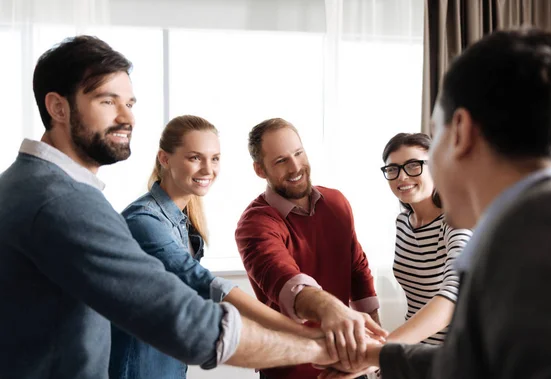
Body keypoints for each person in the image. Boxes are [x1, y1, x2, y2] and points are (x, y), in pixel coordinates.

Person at [0, 35, 339, 379]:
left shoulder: (25, 184)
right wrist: (316, 347)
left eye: (130, 104)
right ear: (58, 107)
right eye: (107, 101)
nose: (126, 118)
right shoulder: (64, 201)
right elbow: (189, 320)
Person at [319, 27, 551, 379]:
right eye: (392, 169)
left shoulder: (521, 248)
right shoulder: (540, 231)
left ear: (461, 132)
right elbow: (473, 365)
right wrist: (380, 356)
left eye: (435, 135)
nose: (404, 176)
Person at [110, 115, 324, 379]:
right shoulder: (143, 221)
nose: (207, 169)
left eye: (215, 158)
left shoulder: (184, 220)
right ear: (165, 159)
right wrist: (303, 334)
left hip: (170, 362)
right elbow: (203, 282)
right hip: (138, 366)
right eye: (194, 158)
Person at [235, 118, 387, 379]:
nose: (295, 167)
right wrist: (333, 310)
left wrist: (374, 339)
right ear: (260, 170)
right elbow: (287, 281)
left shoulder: (337, 202)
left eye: (298, 153)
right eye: (281, 160)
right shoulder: (255, 223)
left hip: (349, 357)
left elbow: (357, 268)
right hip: (291, 366)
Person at [380, 133, 471, 345]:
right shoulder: (403, 222)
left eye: (413, 165)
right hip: (415, 350)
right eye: (393, 169)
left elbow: (454, 295)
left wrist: (387, 348)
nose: (402, 177)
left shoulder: (456, 221)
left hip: (451, 355)